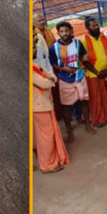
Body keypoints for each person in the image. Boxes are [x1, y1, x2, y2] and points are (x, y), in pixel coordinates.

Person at [49, 21, 95, 138]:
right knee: (67, 107)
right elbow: (53, 64)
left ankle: (88, 125)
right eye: (62, 31)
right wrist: (62, 69)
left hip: (79, 77)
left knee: (84, 102)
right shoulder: (53, 48)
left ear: (71, 31)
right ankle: (69, 131)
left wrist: (85, 58)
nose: (64, 33)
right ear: (58, 33)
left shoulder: (78, 43)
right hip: (65, 80)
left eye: (67, 31)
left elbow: (84, 58)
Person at [33, 44, 70, 173]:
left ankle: (48, 161)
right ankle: (47, 165)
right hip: (39, 107)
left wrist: (48, 79)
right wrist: (48, 80)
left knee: (45, 134)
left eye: (34, 46)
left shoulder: (36, 66)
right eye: (32, 47)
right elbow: (46, 82)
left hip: (43, 104)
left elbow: (50, 75)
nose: (35, 49)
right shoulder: (31, 69)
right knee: (46, 135)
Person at [81, 17, 107, 127]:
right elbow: (84, 61)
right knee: (95, 98)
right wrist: (97, 73)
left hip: (105, 72)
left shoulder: (104, 38)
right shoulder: (84, 41)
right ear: (87, 28)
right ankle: (99, 119)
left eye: (97, 25)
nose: (96, 27)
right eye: (93, 26)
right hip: (93, 74)